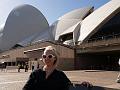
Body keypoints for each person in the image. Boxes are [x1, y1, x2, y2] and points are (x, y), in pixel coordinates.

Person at [23, 46, 92, 90]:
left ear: (55, 58)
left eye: (49, 56)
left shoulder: (60, 75)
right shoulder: (35, 73)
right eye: (44, 56)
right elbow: (26, 88)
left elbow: (69, 86)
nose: (46, 58)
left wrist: (83, 85)